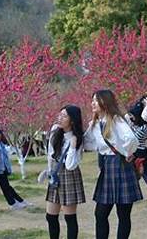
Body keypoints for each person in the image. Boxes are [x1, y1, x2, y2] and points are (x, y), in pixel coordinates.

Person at [84, 89, 142, 239]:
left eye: (96, 100)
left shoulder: (116, 120)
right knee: (100, 213)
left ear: (105, 102)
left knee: (123, 213)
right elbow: (88, 143)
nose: (93, 103)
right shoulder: (95, 124)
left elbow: (131, 139)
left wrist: (127, 153)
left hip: (120, 165)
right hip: (106, 165)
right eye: (93, 100)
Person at [45, 105, 85, 239]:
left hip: (69, 175)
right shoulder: (55, 131)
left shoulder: (76, 138)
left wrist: (73, 146)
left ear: (72, 120)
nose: (60, 118)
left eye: (64, 116)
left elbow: (70, 165)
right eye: (60, 115)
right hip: (55, 175)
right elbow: (50, 154)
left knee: (69, 218)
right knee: (50, 216)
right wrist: (49, 171)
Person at [125, 98, 147, 195]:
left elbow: (134, 140)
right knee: (133, 176)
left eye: (133, 116)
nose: (131, 118)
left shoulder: (144, 127)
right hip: (135, 153)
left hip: (142, 154)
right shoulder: (135, 124)